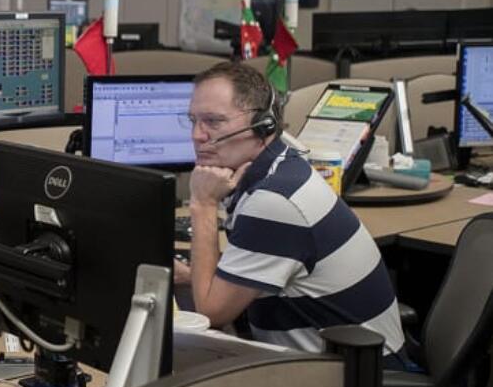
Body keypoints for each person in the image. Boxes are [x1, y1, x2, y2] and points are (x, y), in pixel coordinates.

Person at [173, 61, 407, 362]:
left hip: (357, 379)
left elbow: (211, 312)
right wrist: (192, 277)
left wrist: (202, 204)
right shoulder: (283, 164)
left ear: (263, 126)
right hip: (339, 361)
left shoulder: (274, 201)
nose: (197, 135)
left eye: (213, 122)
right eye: (192, 120)